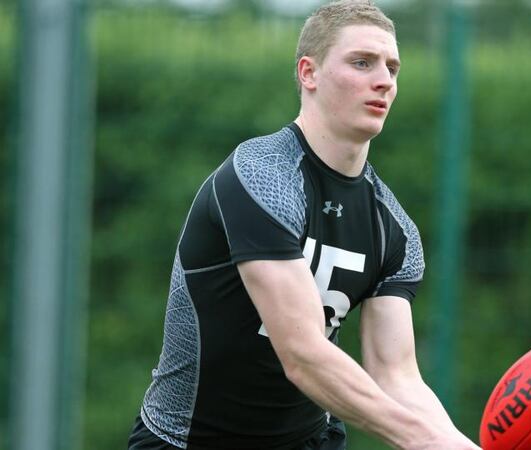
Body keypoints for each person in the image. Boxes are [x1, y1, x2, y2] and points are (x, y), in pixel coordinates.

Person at [127, 1, 481, 449]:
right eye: (362, 62)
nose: (384, 81)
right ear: (308, 73)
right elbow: (303, 354)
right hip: (186, 441)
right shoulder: (261, 177)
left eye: (392, 68)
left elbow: (397, 377)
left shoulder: (394, 228)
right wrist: (426, 440)